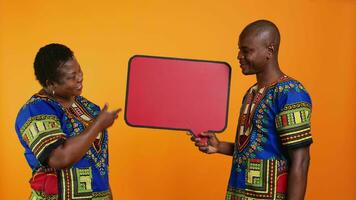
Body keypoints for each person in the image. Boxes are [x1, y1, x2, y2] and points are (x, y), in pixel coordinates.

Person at [192, 20, 313, 200]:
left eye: (246, 50)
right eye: (239, 50)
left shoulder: (291, 93)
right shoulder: (251, 93)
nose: (239, 56)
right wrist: (219, 146)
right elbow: (255, 149)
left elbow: (301, 160)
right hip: (238, 194)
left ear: (269, 52)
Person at [15, 43, 121, 200]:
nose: (80, 77)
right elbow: (59, 158)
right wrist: (98, 125)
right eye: (72, 76)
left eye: (79, 71)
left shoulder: (90, 108)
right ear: (50, 83)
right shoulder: (35, 110)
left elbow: (100, 164)